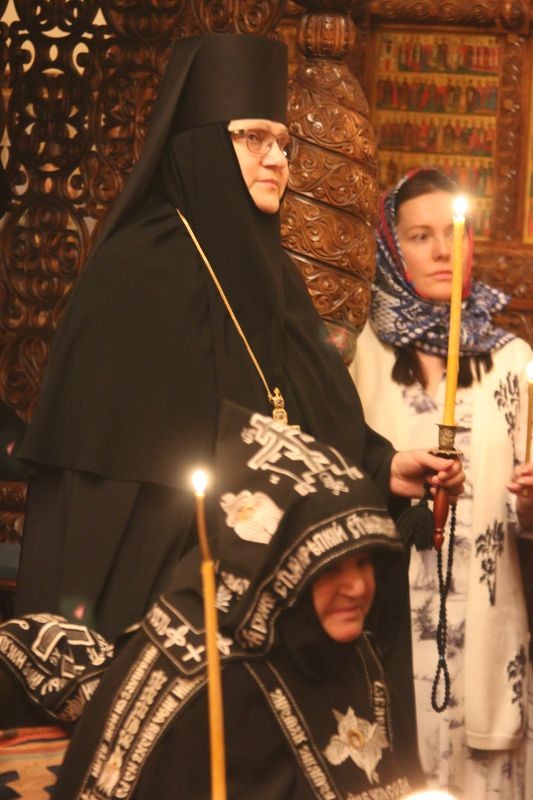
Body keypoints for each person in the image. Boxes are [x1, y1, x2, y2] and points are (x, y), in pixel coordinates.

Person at [14, 35, 462, 650]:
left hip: (271, 608)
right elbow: (107, 492)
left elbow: (311, 416)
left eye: (283, 143)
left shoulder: (272, 274)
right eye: (254, 138)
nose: (277, 159)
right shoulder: (136, 270)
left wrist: (385, 469)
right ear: (200, 145)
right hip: (163, 609)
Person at [35, 403, 426, 800]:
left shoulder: (355, 656)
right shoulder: (198, 683)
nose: (357, 587)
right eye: (331, 569)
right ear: (279, 570)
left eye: (364, 563)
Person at [350, 168, 533, 798]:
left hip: (487, 626)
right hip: (386, 615)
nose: (441, 251)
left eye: (453, 234)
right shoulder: (357, 356)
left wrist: (529, 501)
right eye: (419, 236)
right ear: (391, 248)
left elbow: (524, 515)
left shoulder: (513, 361)